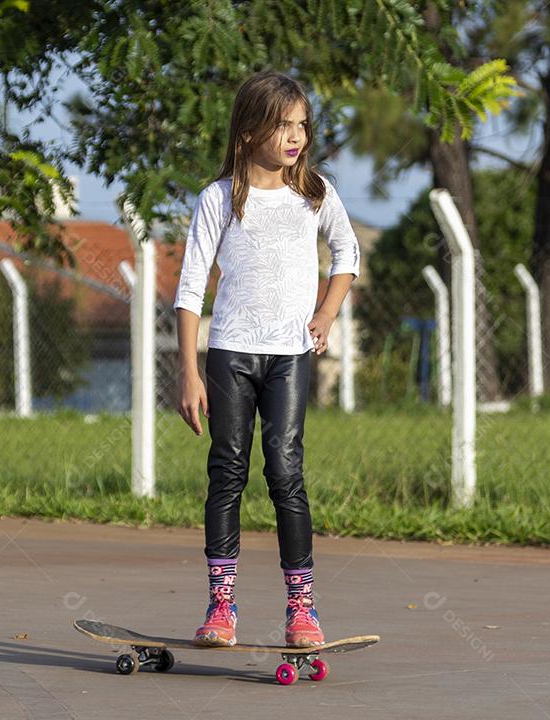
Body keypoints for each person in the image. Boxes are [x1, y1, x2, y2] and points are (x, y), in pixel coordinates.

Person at [172, 69, 361, 648]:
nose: (295, 136)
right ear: (250, 129)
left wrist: (326, 314)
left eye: (302, 124)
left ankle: (302, 609)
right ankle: (221, 607)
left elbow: (346, 251)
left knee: (285, 472)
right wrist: (189, 370)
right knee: (226, 473)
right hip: (230, 352)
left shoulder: (315, 194)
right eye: (283, 125)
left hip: (289, 355)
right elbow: (189, 286)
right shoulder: (219, 198)